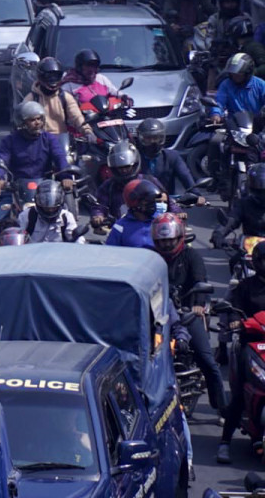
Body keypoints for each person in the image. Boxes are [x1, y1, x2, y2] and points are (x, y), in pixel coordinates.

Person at [151, 212, 226, 416]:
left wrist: (198, 305)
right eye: (162, 241)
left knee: (207, 361)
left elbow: (200, 280)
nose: (166, 245)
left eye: (170, 241)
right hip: (158, 315)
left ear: (179, 238)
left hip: (187, 314)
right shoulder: (151, 258)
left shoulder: (191, 256)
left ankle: (221, 408)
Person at [218, 234, 265, 462]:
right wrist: (235, 321)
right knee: (239, 394)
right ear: (257, 262)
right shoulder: (246, 287)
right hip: (250, 344)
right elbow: (232, 308)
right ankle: (225, 442)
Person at [0, 101, 70, 232]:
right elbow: (2, 160)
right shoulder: (9, 141)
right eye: (32, 120)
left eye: (39, 119)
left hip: (45, 187)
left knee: (66, 216)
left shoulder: (49, 139)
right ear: (21, 122)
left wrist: (66, 176)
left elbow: (59, 157)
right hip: (16, 187)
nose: (37, 122)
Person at [24, 56, 93, 150]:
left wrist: (87, 131)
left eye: (56, 76)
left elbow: (76, 117)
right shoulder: (31, 99)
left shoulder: (65, 97)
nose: (53, 79)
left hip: (61, 144)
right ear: (41, 77)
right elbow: (22, 121)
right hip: (38, 144)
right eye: (49, 76)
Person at [136, 118, 200, 196]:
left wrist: (196, 195)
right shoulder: (135, 158)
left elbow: (185, 176)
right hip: (140, 200)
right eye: (148, 138)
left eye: (156, 138)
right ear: (141, 138)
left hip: (168, 200)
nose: (153, 142)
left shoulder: (172, 156)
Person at [105, 179, 167, 249]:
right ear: (134, 202)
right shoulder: (120, 227)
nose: (152, 204)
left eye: (153, 201)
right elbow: (110, 252)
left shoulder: (161, 221)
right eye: (147, 201)